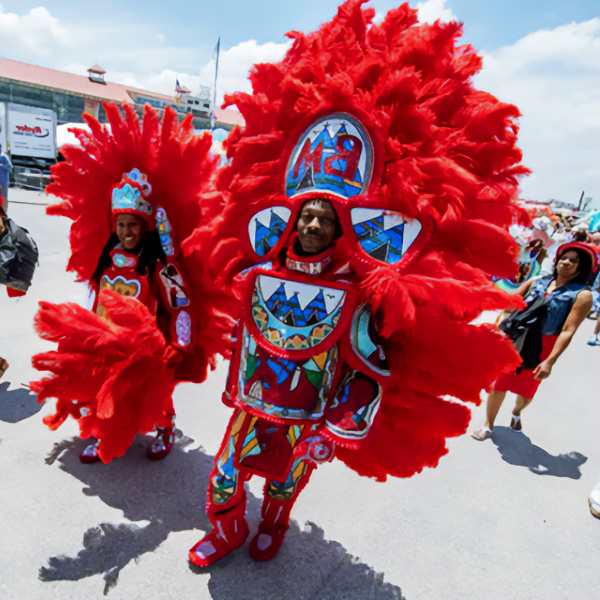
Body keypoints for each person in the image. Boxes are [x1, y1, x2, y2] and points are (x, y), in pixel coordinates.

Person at [187, 0, 528, 566]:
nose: (315, 223)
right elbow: (235, 328)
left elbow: (368, 365)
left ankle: (274, 521)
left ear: (341, 225)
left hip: (306, 414)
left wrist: (340, 423)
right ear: (292, 219)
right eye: (307, 215)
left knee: (282, 482)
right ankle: (224, 531)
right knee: (224, 474)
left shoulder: (355, 291)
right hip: (250, 407)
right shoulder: (260, 271)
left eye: (326, 217)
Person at [31, 103, 228, 465]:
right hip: (107, 336)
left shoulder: (160, 263)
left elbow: (180, 303)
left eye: (133, 224)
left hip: (147, 344)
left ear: (145, 225)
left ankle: (166, 428)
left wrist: (179, 343)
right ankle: (97, 432)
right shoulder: (107, 258)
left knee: (154, 394)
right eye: (121, 224)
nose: (126, 231)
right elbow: (98, 297)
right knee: (100, 387)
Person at [472, 242, 595, 440]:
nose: (567, 262)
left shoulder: (582, 295)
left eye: (574, 261)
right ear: (556, 261)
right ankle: (488, 425)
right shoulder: (537, 281)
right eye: (564, 257)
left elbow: (568, 331)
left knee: (527, 391)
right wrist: (498, 327)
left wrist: (550, 361)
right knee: (499, 383)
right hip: (518, 339)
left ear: (581, 268)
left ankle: (516, 412)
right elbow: (510, 306)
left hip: (543, 347)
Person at [0, 143, 12, 212]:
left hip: (3, 182)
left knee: (4, 198)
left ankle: (4, 213)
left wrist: (1, 165)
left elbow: (10, 167)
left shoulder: (4, 156)